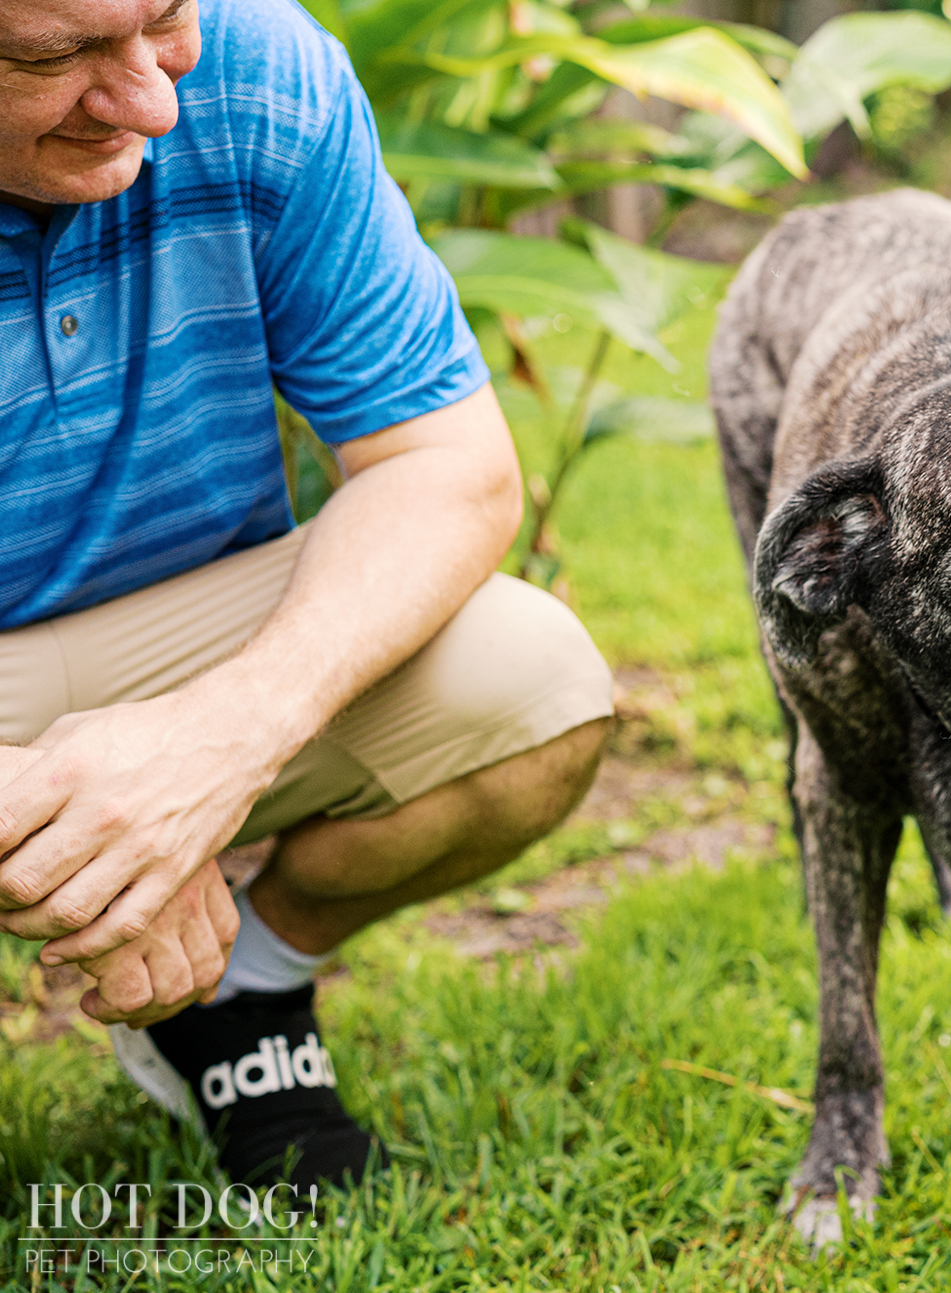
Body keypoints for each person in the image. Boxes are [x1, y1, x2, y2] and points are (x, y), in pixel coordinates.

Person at [0, 0, 615, 1190]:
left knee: (525, 680)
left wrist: (204, 754)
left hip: (159, 649)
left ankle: (235, 995)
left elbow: (447, 469)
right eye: (53, 55)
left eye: (165, 18)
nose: (152, 101)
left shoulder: (261, 68)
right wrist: (75, 816)